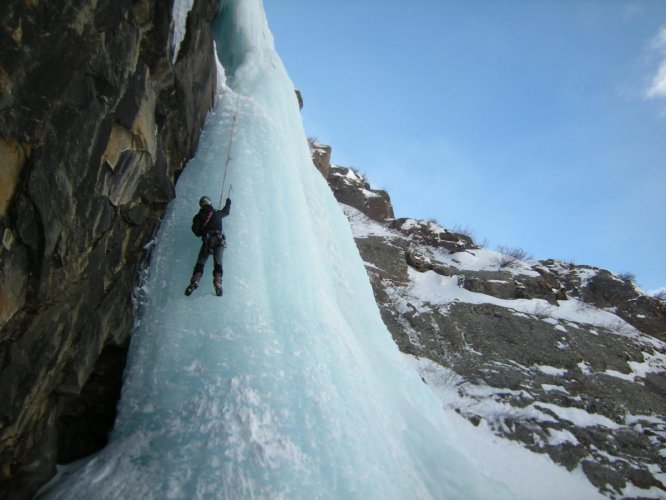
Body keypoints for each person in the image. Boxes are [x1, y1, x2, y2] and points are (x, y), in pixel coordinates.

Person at [185, 195, 232, 296]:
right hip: (219, 240)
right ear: (209, 203)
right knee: (218, 264)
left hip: (208, 240)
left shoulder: (198, 217)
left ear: (201, 204)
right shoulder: (217, 213)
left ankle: (194, 282)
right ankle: (218, 284)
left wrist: (203, 231)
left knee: (200, 263)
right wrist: (228, 201)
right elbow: (226, 211)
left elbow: (196, 232)